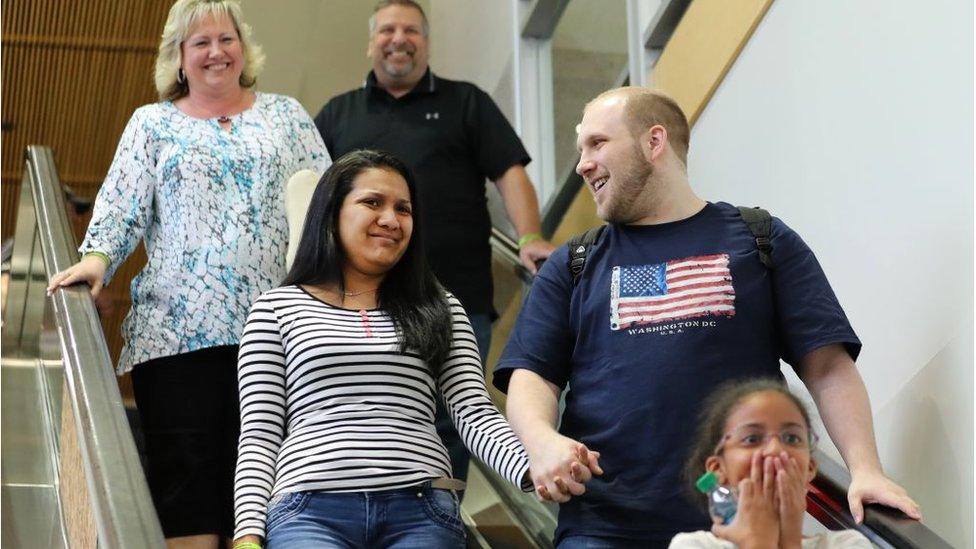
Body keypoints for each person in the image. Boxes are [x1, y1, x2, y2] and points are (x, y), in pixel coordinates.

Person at [494, 87, 921, 547]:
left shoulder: (761, 239)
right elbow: (531, 376)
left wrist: (866, 470)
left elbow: (828, 366)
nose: (582, 164)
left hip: (741, 529)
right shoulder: (574, 263)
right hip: (603, 529)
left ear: (654, 142)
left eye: (597, 144)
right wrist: (540, 441)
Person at [46, 1, 330, 546]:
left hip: (279, 333)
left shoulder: (287, 116)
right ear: (179, 58)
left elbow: (323, 207)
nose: (216, 52)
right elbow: (122, 205)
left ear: (243, 48)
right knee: (188, 495)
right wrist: (97, 258)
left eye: (226, 39)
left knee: (274, 493)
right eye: (200, 43)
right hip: (176, 337)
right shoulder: (151, 123)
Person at [231, 150, 534, 549]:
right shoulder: (276, 307)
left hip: (422, 510)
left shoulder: (440, 306)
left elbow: (474, 413)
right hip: (308, 510)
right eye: (372, 202)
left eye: (403, 209)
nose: (391, 220)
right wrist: (248, 536)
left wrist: (535, 470)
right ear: (332, 211)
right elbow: (259, 435)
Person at [313, 0, 555, 485]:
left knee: (455, 415)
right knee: (367, 412)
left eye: (410, 30)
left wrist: (529, 237)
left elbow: (510, 174)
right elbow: (314, 202)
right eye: (386, 30)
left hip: (457, 298)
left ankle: (442, 521)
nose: (398, 38)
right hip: (359, 304)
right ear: (371, 42)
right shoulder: (338, 113)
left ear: (426, 41)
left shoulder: (466, 102)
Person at [670, 379, 872, 548]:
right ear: (717, 469)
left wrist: (789, 543)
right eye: (752, 439)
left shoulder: (849, 544)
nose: (775, 449)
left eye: (792, 438)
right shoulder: (693, 545)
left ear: (809, 467)